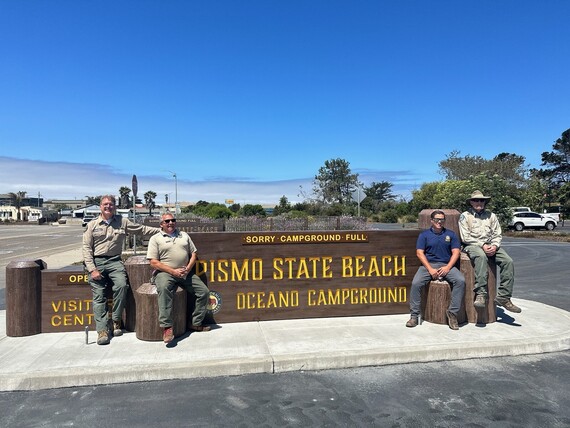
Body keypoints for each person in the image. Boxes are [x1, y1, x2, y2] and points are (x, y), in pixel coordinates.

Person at [83, 195, 161, 345]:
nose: (108, 207)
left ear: (115, 207)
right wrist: (92, 269)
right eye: (105, 204)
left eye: (111, 204)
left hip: (114, 261)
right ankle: (102, 331)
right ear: (100, 207)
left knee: (121, 286)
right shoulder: (92, 225)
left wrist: (161, 230)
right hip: (96, 261)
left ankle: (116, 320)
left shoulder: (122, 222)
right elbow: (86, 248)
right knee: (99, 296)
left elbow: (141, 229)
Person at [146, 212, 211, 344]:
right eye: (167, 221)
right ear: (161, 224)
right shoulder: (156, 238)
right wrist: (172, 271)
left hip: (184, 272)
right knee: (164, 290)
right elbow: (153, 262)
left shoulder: (184, 235)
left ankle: (195, 322)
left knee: (204, 292)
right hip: (165, 272)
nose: (170, 223)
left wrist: (187, 268)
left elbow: (193, 253)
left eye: (173, 220)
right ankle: (167, 327)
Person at [459, 190, 521, 313]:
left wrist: (494, 245)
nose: (479, 202)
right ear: (471, 202)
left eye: (482, 200)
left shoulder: (491, 215)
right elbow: (465, 237)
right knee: (481, 257)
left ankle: (504, 297)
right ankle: (481, 293)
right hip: (472, 245)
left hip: (490, 245)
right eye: (476, 200)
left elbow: (497, 233)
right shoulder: (465, 216)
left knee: (508, 261)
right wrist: (482, 245)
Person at [406, 210, 465, 330]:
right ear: (431, 220)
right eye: (437, 219)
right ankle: (414, 315)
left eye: (442, 219)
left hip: (446, 265)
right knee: (416, 283)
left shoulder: (451, 234)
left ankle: (452, 314)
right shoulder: (424, 235)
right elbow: (419, 253)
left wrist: (448, 267)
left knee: (460, 281)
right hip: (428, 265)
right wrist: (430, 269)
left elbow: (456, 252)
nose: (439, 222)